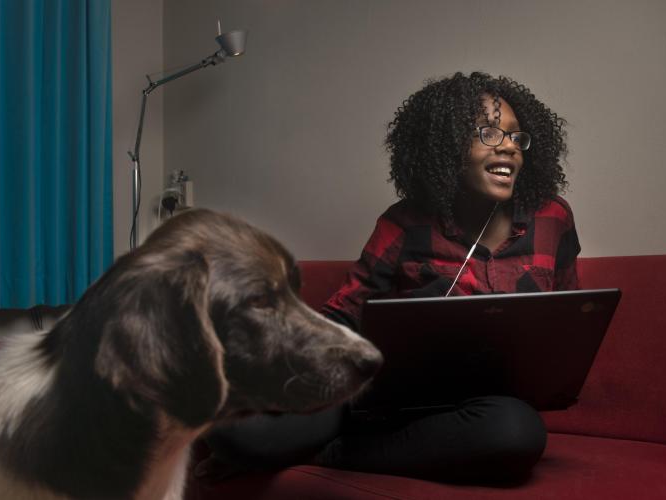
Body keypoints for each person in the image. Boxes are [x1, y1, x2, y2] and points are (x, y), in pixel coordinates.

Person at [198, 71, 579, 484]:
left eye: (516, 137)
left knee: (515, 434)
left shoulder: (552, 218)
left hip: (474, 408)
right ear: (447, 146)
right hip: (372, 393)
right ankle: (323, 436)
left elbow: (565, 323)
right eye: (487, 133)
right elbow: (343, 315)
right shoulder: (403, 223)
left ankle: (333, 454)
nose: (507, 146)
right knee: (233, 432)